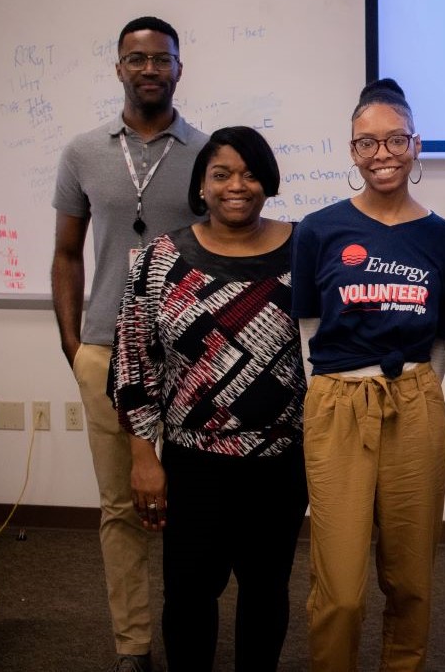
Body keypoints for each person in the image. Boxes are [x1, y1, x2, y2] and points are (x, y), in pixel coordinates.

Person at [111, 126, 307, 671]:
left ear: (267, 181)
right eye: (221, 174)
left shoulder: (304, 252)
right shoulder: (158, 261)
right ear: (201, 185)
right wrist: (143, 457)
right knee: (189, 596)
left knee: (266, 595)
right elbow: (132, 364)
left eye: (248, 173)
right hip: (194, 464)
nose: (235, 186)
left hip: (279, 462)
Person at [51, 15, 208, 672]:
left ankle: (187, 632)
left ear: (178, 67)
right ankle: (133, 646)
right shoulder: (84, 152)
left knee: (191, 504)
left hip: (191, 358)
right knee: (121, 506)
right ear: (118, 68)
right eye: (136, 58)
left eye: (161, 58)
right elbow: (65, 254)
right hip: (105, 354)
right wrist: (75, 344)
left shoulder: (207, 154)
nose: (149, 68)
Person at [293, 79, 445, 672]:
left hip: (413, 401)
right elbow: (310, 324)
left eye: (395, 140)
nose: (382, 153)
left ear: (416, 145)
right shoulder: (318, 230)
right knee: (339, 589)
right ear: (352, 151)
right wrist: (339, 381)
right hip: (338, 402)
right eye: (368, 143)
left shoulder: (444, 238)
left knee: (410, 579)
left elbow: (442, 333)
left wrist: (421, 387)